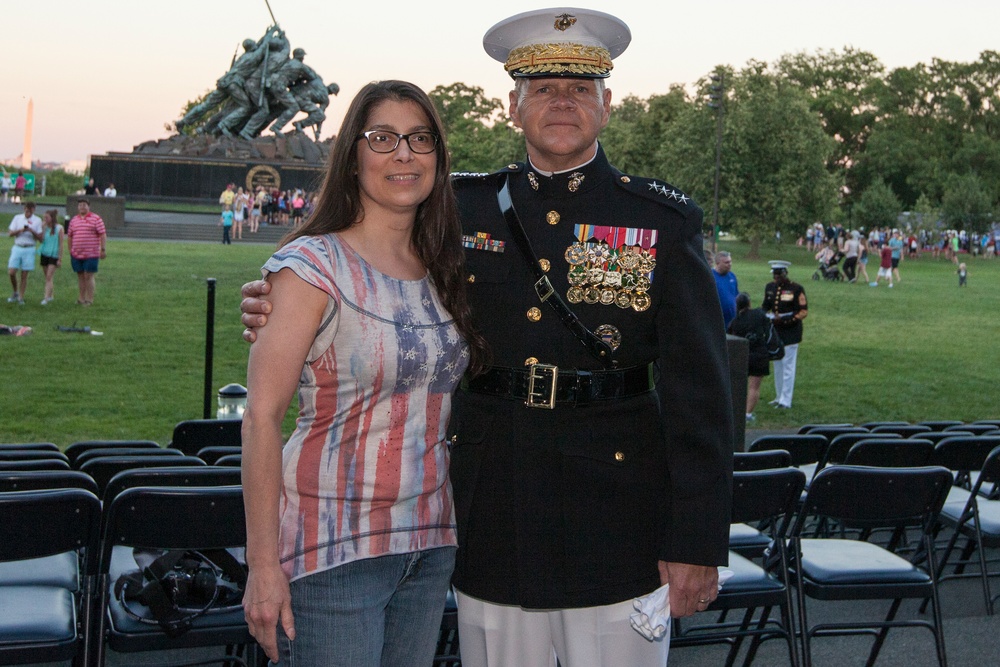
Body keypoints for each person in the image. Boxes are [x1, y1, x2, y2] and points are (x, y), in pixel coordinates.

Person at [242, 9, 732, 667]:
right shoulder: (456, 208)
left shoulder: (660, 221)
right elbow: (363, 258)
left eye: (580, 88)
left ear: (607, 105)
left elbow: (700, 396)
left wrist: (697, 540)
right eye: (543, 87)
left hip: (617, 522)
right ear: (513, 105)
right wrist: (272, 301)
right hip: (495, 511)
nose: (562, 101)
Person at [241, 79, 485, 667]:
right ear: (353, 158)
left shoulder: (445, 268)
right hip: (333, 551)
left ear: (437, 158)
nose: (404, 153)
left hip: (429, 544)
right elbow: (261, 420)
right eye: (383, 138)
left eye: (419, 138)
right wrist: (263, 566)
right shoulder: (310, 267)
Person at [763, 260, 807, 409]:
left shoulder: (796, 289)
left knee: (788, 366)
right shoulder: (770, 288)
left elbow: (802, 311)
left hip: (790, 331)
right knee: (777, 365)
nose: (776, 279)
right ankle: (778, 395)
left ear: (784, 274)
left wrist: (785, 319)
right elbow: (766, 306)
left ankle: (786, 400)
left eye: (778, 275)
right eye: (774, 276)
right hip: (776, 331)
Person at [727, 292, 772, 422]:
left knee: (738, 385)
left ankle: (736, 411)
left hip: (741, 355)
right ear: (749, 303)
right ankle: (747, 413)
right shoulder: (759, 314)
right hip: (759, 353)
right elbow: (767, 329)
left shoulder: (735, 322)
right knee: (754, 386)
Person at [66, 198, 107, 305]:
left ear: (89, 206)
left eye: (84, 205)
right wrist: (70, 249)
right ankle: (81, 298)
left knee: (88, 275)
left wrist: (103, 249)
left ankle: (89, 299)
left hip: (91, 253)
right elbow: (70, 236)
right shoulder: (74, 220)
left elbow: (102, 234)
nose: (82, 207)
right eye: (80, 205)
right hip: (76, 253)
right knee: (80, 275)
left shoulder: (96, 219)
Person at [7, 201, 43, 304]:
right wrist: (21, 230)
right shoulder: (17, 218)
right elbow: (10, 233)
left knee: (24, 274)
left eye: (31, 211)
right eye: (27, 210)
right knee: (12, 272)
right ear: (24, 209)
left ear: (34, 210)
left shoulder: (37, 220)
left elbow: (40, 238)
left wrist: (32, 231)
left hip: (29, 248)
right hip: (18, 246)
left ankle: (21, 297)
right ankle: (15, 292)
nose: (28, 213)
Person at [39, 209, 64, 305]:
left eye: (47, 217)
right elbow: (41, 240)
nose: (45, 219)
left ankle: (45, 298)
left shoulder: (59, 228)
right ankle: (50, 295)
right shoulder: (45, 228)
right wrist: (42, 229)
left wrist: (59, 258)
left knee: (49, 276)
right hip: (45, 253)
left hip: (54, 255)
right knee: (47, 277)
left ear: (52, 218)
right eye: (44, 217)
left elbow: (61, 244)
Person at [712, 250, 739, 328]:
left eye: (730, 261)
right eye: (726, 262)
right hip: (718, 320)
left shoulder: (732, 276)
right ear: (717, 263)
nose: (729, 264)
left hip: (732, 319)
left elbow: (736, 295)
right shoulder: (711, 277)